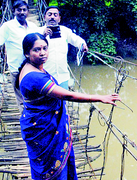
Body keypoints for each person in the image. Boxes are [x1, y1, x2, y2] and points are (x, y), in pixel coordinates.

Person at [16, 33, 120, 179]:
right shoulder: (35, 77)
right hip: (44, 128)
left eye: (45, 48)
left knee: (49, 165)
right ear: (27, 53)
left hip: (41, 123)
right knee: (49, 167)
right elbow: (67, 95)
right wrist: (99, 98)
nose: (42, 53)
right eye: (36, 50)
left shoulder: (32, 67)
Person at [41, 6, 88, 90]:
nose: (52, 17)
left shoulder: (65, 31)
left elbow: (75, 39)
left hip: (62, 76)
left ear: (59, 18)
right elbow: (31, 47)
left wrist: (82, 44)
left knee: (63, 101)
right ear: (44, 17)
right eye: (49, 14)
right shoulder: (37, 32)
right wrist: (43, 36)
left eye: (55, 15)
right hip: (45, 76)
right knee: (47, 101)